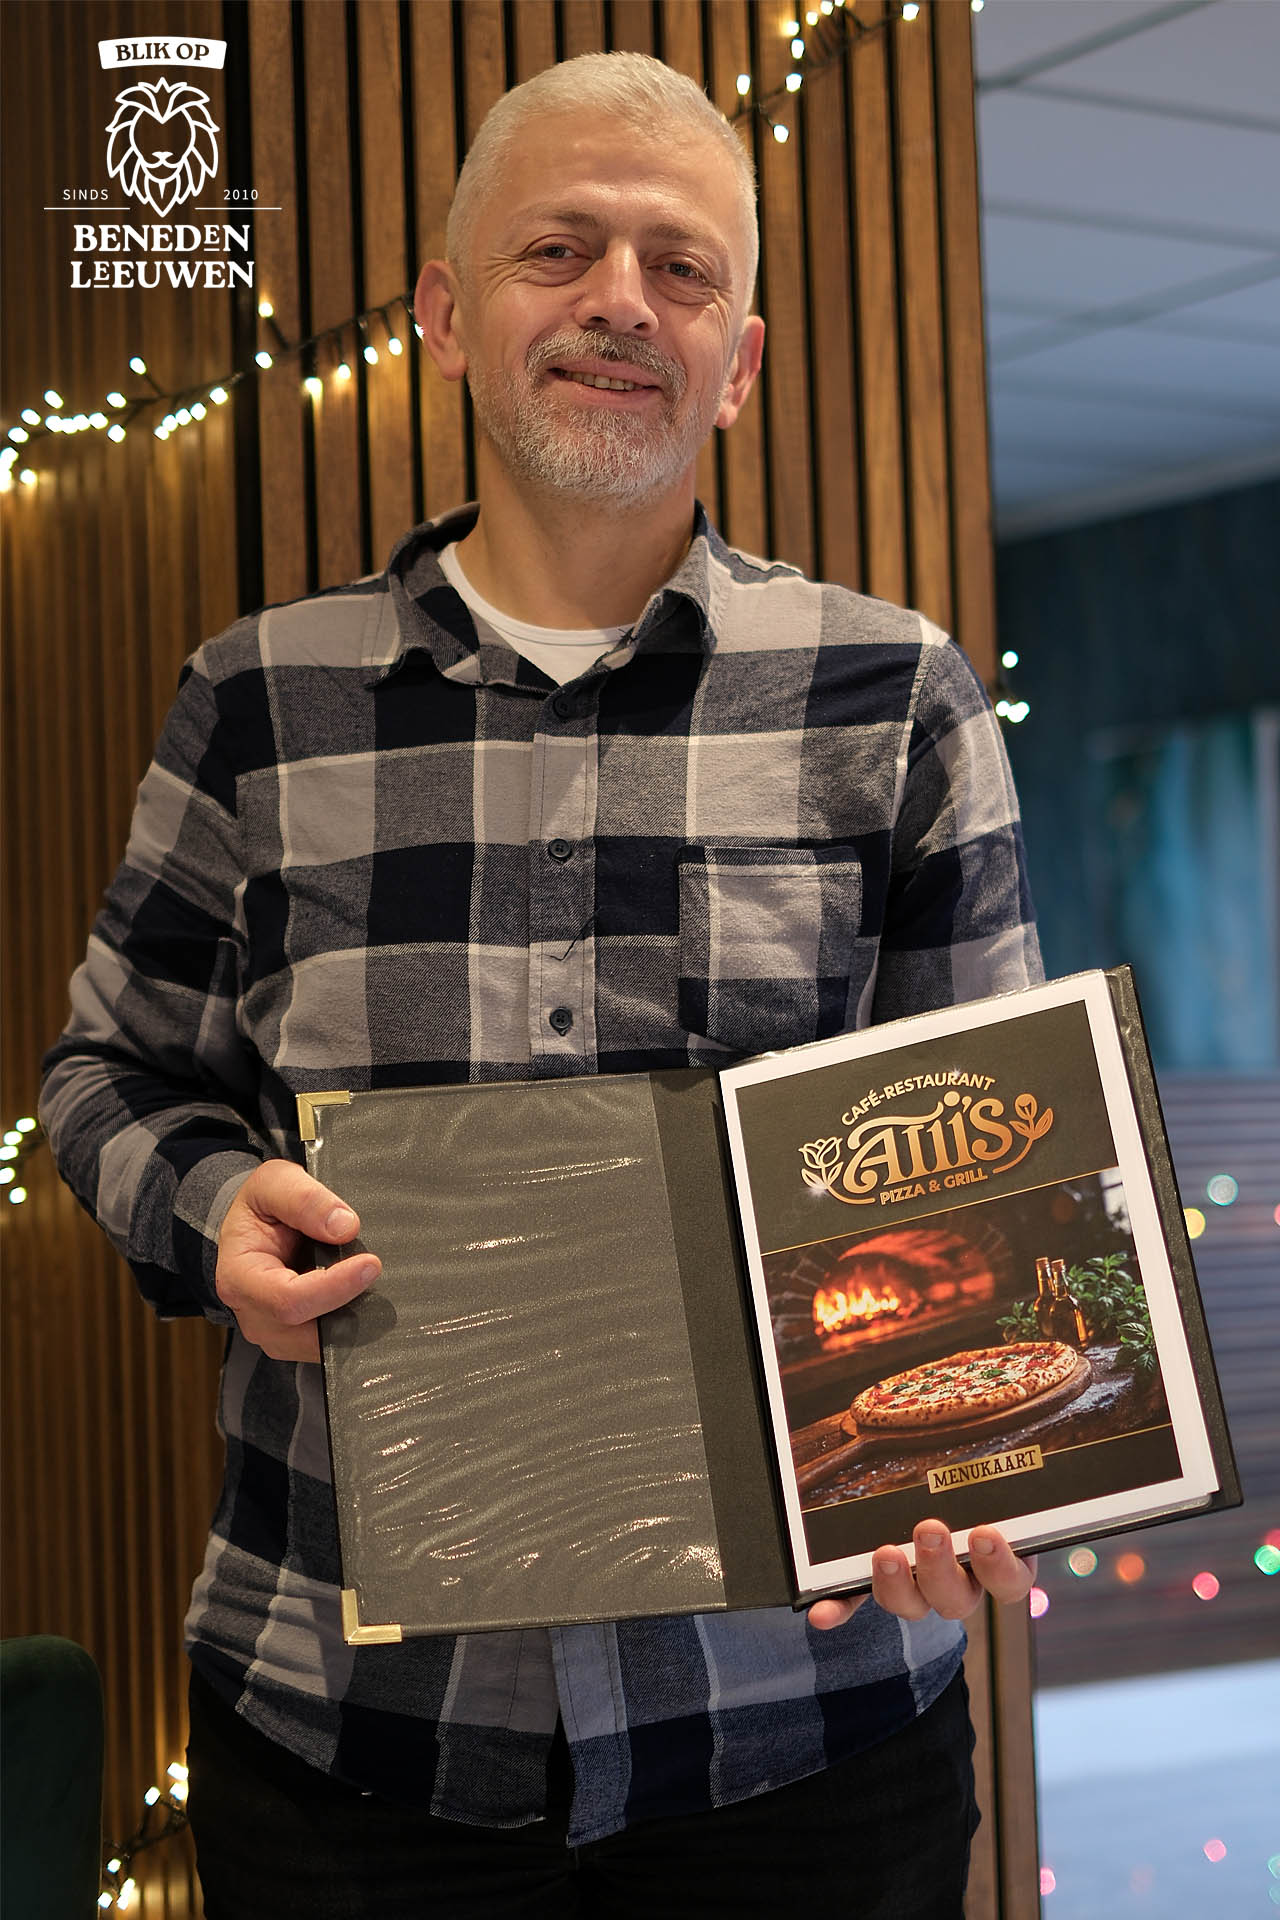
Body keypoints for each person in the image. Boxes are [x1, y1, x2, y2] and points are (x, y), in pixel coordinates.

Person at [42, 52, 1040, 1920]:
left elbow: (990, 1163)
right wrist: (210, 1204)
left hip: (810, 1741)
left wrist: (970, 1471)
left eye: (682, 267)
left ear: (741, 362)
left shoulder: (896, 697)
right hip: (345, 1745)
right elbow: (104, 1075)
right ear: (443, 315)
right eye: (558, 249)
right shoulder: (261, 698)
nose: (620, 302)